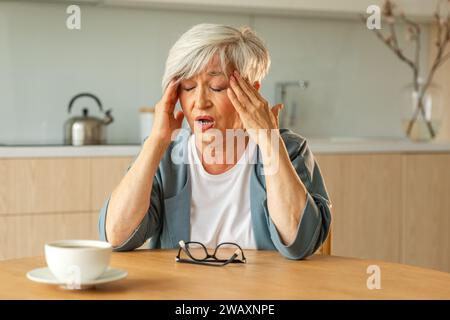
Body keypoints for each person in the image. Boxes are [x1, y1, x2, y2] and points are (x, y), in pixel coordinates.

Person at [98, 23, 332, 260]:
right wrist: (156, 142)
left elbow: (299, 243)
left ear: (251, 91)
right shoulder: (166, 156)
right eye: (188, 87)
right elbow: (116, 236)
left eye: (216, 87)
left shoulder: (289, 150)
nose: (199, 102)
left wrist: (268, 141)